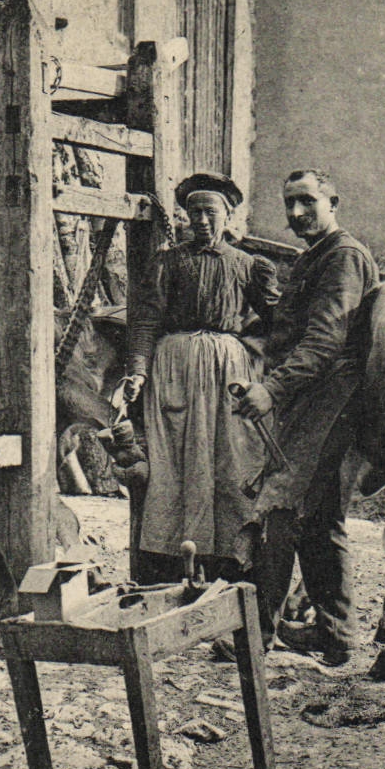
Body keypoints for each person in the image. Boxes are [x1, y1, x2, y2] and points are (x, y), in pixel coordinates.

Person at [232, 169, 379, 667]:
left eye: (307, 202)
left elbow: (325, 341)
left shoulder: (343, 257)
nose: (295, 214)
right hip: (313, 400)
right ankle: (335, 636)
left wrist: (271, 389)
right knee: (317, 519)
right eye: (288, 204)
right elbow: (293, 326)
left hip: (333, 399)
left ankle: (256, 636)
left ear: (333, 201)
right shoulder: (315, 258)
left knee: (282, 510)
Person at [123, 173, 279, 583]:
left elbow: (279, 323)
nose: (202, 221)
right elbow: (144, 321)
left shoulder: (248, 266)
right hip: (174, 367)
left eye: (210, 212)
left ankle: (229, 558)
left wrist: (262, 363)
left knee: (232, 458)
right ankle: (168, 563)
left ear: (228, 216)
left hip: (229, 370)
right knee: (171, 463)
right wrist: (138, 371)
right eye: (194, 213)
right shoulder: (168, 262)